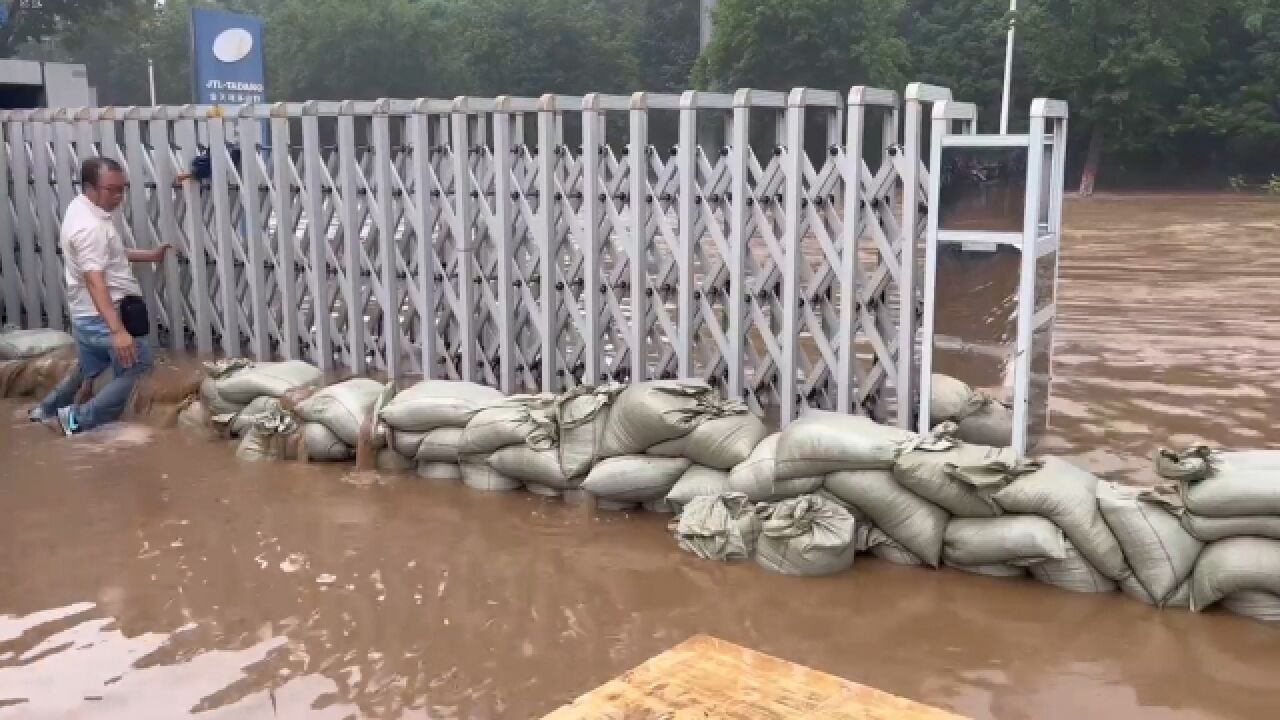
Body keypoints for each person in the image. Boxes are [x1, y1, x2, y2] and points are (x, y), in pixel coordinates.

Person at [29, 157, 171, 434]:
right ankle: (74, 421)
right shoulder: (90, 228)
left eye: (123, 189)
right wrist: (117, 330)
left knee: (88, 368)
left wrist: (149, 255)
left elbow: (107, 255)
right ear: (90, 187)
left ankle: (44, 411)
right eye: (112, 189)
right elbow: (95, 280)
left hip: (84, 315)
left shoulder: (79, 209)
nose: (119, 196)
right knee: (138, 366)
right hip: (103, 316)